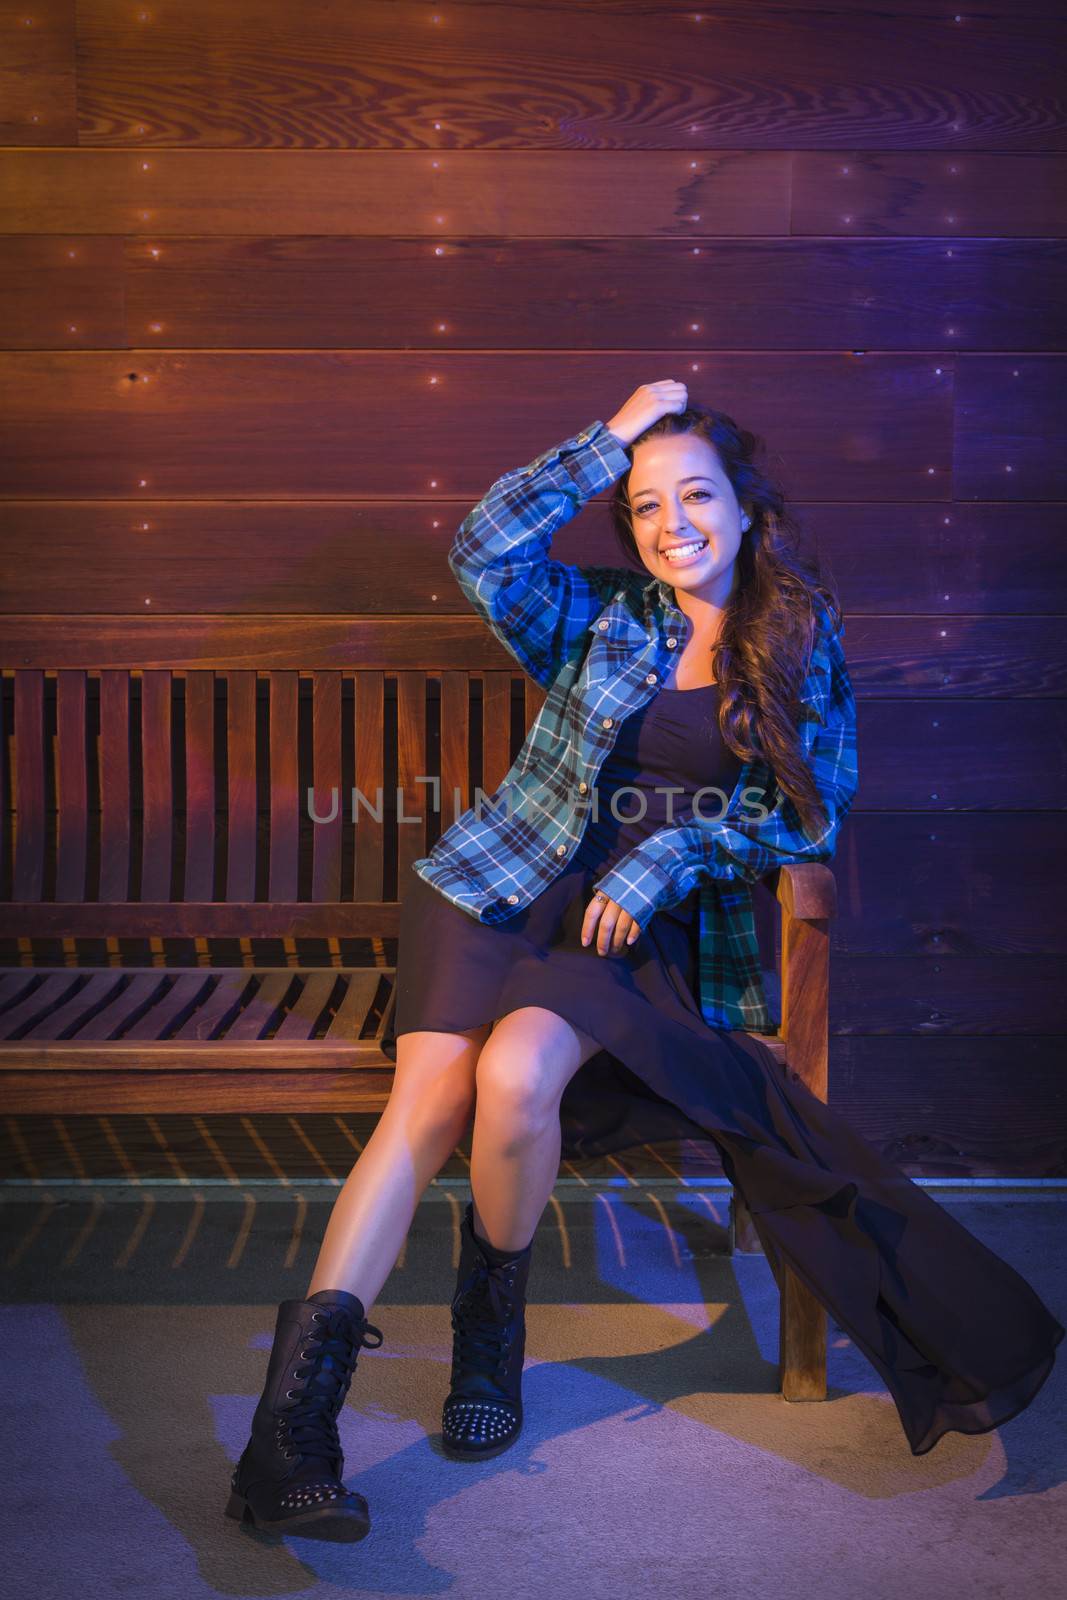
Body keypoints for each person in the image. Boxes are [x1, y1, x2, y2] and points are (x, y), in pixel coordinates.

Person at [226, 381, 1064, 1542]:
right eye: (645, 503)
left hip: (628, 928)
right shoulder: (596, 614)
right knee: (424, 1102)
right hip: (497, 883)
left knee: (515, 1082)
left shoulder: (796, 635)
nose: (673, 522)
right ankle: (289, 1438)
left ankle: (488, 1337)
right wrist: (607, 437)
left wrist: (666, 855)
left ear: (743, 507)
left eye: (695, 495)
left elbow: (806, 818)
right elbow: (482, 547)